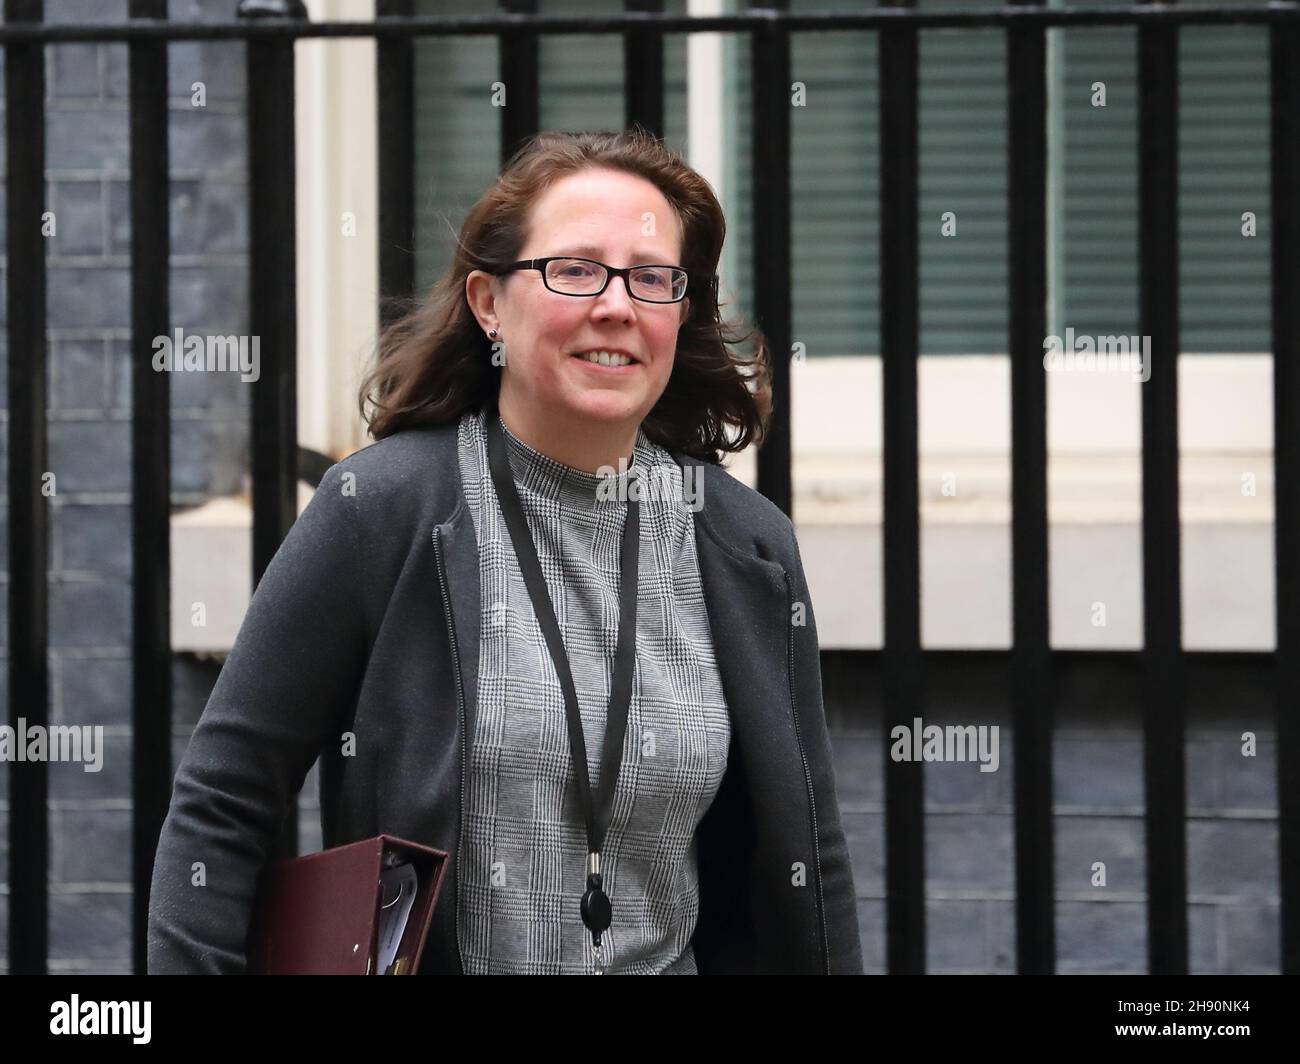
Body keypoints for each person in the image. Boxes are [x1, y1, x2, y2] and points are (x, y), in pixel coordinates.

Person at [147, 128, 862, 975]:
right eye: (575, 270)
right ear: (490, 303)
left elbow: (807, 853)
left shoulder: (747, 545)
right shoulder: (379, 509)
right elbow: (222, 800)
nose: (617, 306)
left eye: (652, 278)